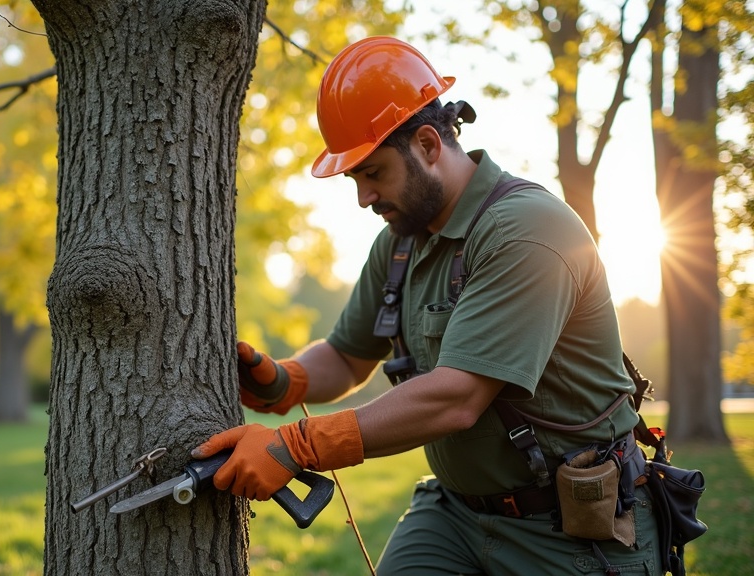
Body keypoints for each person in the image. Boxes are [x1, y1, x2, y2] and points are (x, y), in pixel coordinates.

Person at [192, 37, 663, 575]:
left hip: (571, 524)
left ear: (428, 144)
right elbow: (348, 356)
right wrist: (285, 381)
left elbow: (456, 397)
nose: (363, 199)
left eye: (374, 173)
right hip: (455, 514)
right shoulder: (399, 243)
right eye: (354, 179)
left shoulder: (526, 229)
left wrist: (297, 446)